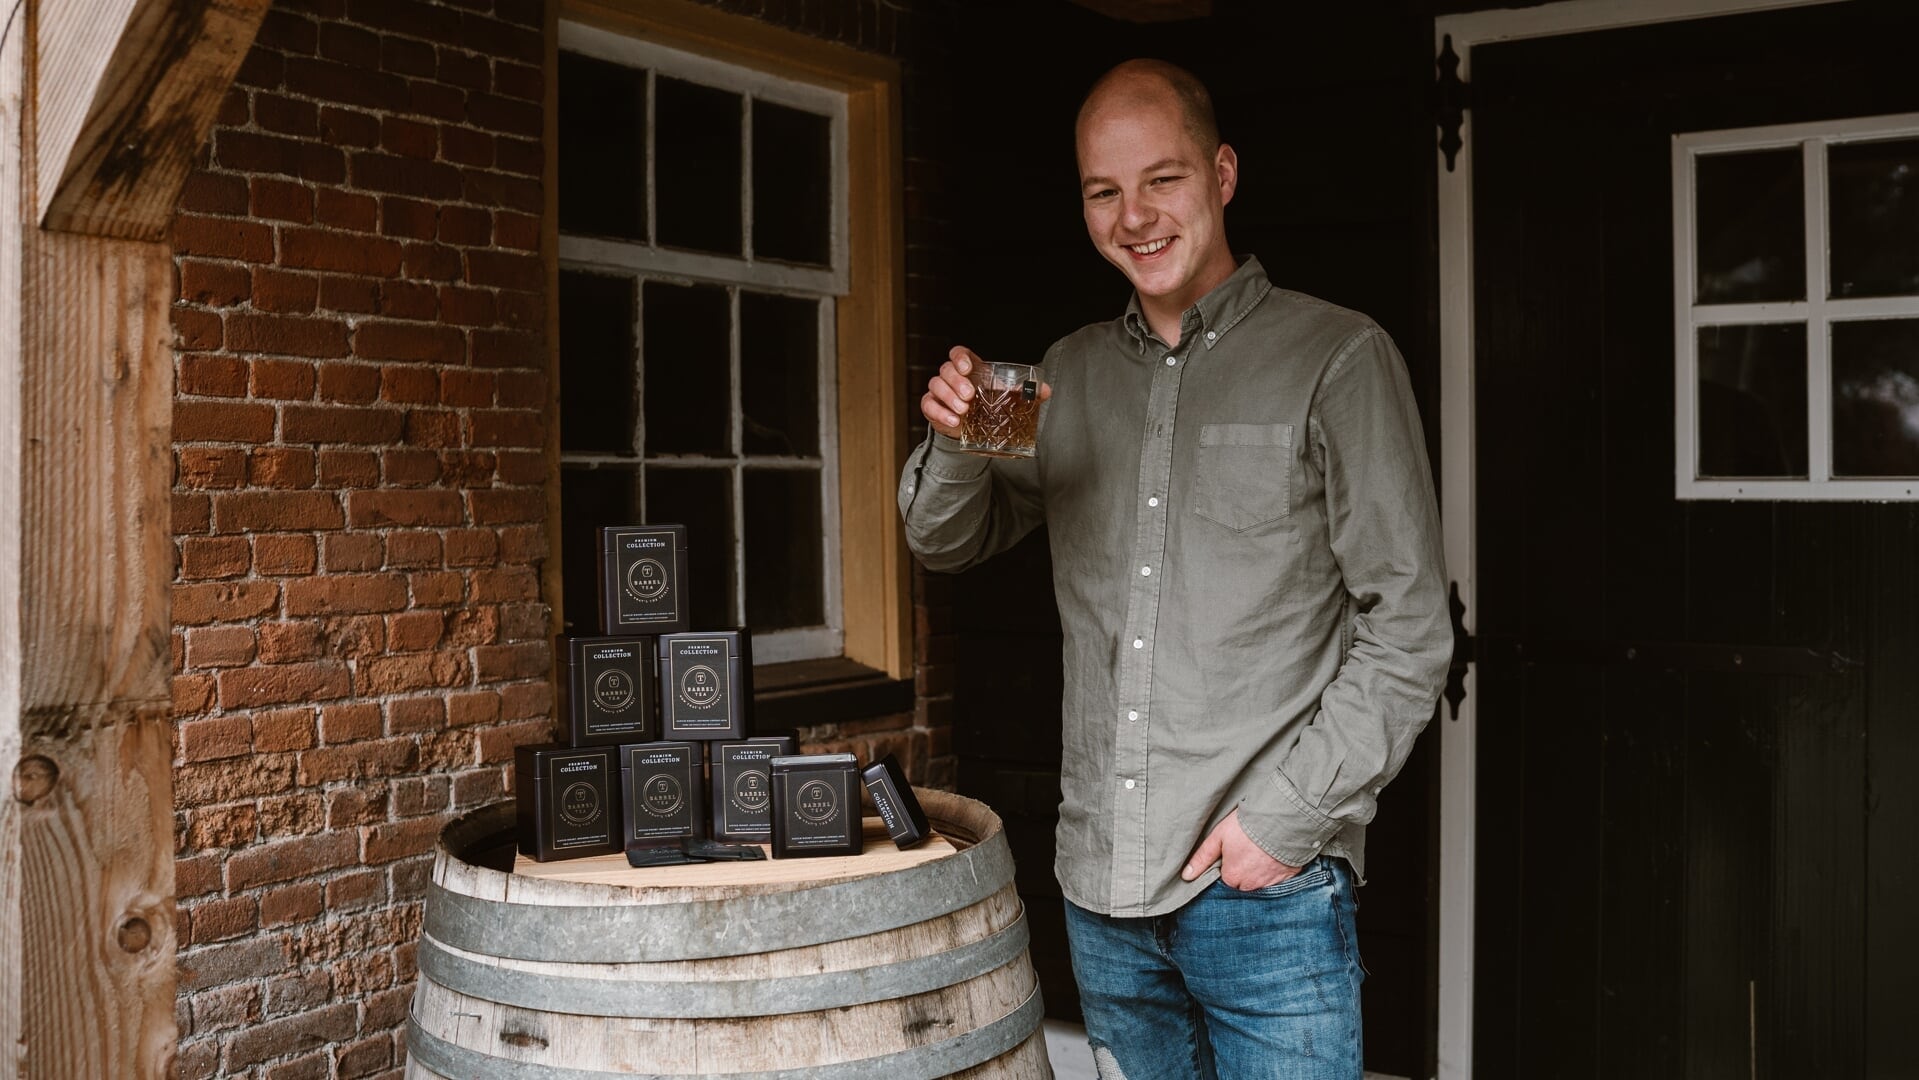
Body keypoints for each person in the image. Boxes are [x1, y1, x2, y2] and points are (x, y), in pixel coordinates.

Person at [897, 58, 1451, 1079]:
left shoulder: (1336, 357)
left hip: (1266, 897)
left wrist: (1281, 825)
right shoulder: (1058, 374)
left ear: (1222, 173)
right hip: (1100, 890)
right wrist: (956, 435)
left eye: (1162, 179)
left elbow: (1410, 627)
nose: (1133, 215)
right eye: (1102, 191)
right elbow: (946, 540)